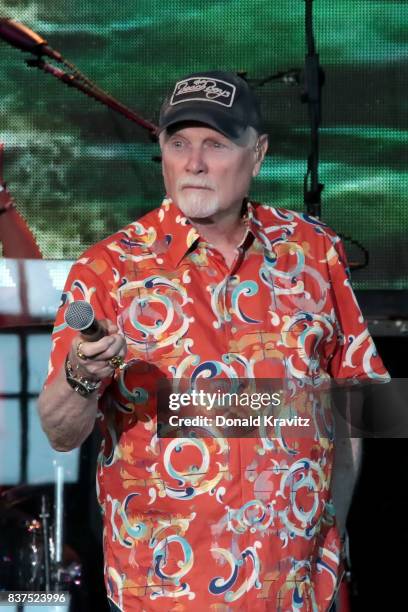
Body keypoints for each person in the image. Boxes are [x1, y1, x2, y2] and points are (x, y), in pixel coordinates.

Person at [38, 70, 388, 611]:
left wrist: (329, 543)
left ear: (259, 153)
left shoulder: (314, 252)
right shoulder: (107, 270)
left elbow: (357, 404)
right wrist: (84, 374)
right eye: (178, 143)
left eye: (215, 144)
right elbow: (59, 433)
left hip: (297, 592)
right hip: (166, 595)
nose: (193, 163)